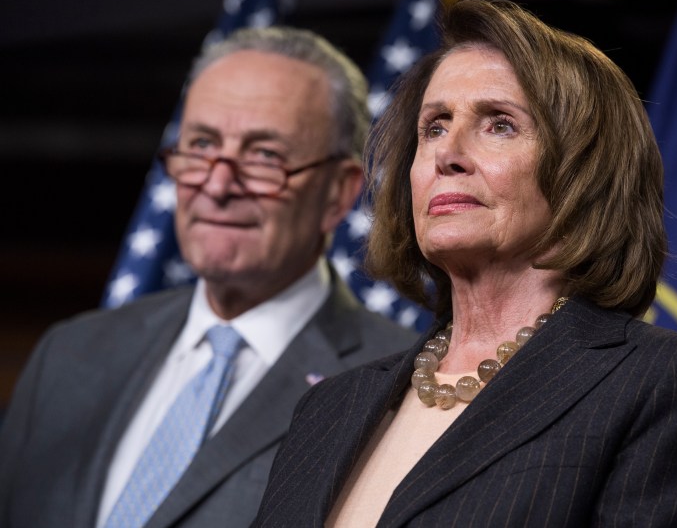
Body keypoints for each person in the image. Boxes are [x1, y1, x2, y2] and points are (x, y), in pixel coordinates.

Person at [252, 0, 677, 527]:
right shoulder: (330, 407)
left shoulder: (667, 383)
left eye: (499, 125)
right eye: (435, 126)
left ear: (586, 172)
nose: (449, 153)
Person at [0, 26, 418, 528]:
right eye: (200, 145)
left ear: (339, 193)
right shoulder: (69, 355)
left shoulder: (398, 389)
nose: (217, 185)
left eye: (265, 155)